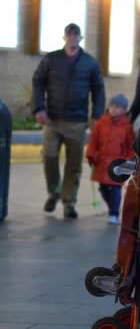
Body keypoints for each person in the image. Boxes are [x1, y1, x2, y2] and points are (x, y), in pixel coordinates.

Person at [32, 23, 106, 219]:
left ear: (80, 38)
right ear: (64, 37)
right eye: (69, 34)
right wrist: (38, 107)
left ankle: (68, 202)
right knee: (49, 156)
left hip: (77, 121)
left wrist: (97, 114)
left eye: (76, 35)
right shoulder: (51, 59)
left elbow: (98, 89)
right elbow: (38, 81)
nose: (72, 38)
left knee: (74, 164)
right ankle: (53, 193)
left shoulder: (90, 63)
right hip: (52, 119)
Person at [85, 94, 135, 224]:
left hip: (118, 164)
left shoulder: (127, 127)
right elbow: (93, 141)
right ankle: (111, 208)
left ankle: (114, 213)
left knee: (115, 189)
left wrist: (129, 163)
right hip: (101, 161)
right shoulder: (101, 123)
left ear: (124, 110)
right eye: (112, 106)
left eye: (118, 107)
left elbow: (131, 146)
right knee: (103, 188)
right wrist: (91, 155)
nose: (114, 109)